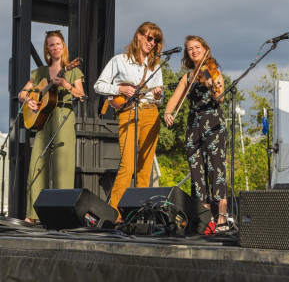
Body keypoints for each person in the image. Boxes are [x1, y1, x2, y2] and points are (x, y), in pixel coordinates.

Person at [94, 21, 164, 220]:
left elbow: (160, 97)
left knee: (146, 167)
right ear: (139, 36)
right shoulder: (119, 60)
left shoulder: (155, 64)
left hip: (151, 113)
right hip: (129, 112)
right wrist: (120, 89)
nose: (152, 42)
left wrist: (159, 95)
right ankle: (114, 214)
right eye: (149, 37)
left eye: (156, 40)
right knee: (127, 165)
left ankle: (141, 214)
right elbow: (98, 85)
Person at [19, 30, 85, 225]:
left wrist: (65, 84)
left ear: (63, 45)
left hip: (64, 117)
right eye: (51, 45)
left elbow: (80, 94)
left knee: (62, 168)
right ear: (46, 49)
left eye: (58, 44)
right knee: (36, 164)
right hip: (43, 120)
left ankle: (61, 214)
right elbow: (22, 93)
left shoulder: (72, 69)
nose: (55, 48)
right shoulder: (39, 72)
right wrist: (29, 100)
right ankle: (32, 215)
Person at [163, 35, 228, 231]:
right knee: (197, 171)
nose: (194, 51)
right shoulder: (189, 76)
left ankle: (222, 216)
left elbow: (221, 99)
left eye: (197, 47)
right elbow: (175, 98)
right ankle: (205, 217)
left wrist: (211, 88)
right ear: (188, 54)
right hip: (194, 124)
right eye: (190, 48)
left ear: (205, 48)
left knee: (216, 168)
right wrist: (168, 112)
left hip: (213, 122)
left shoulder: (214, 71)